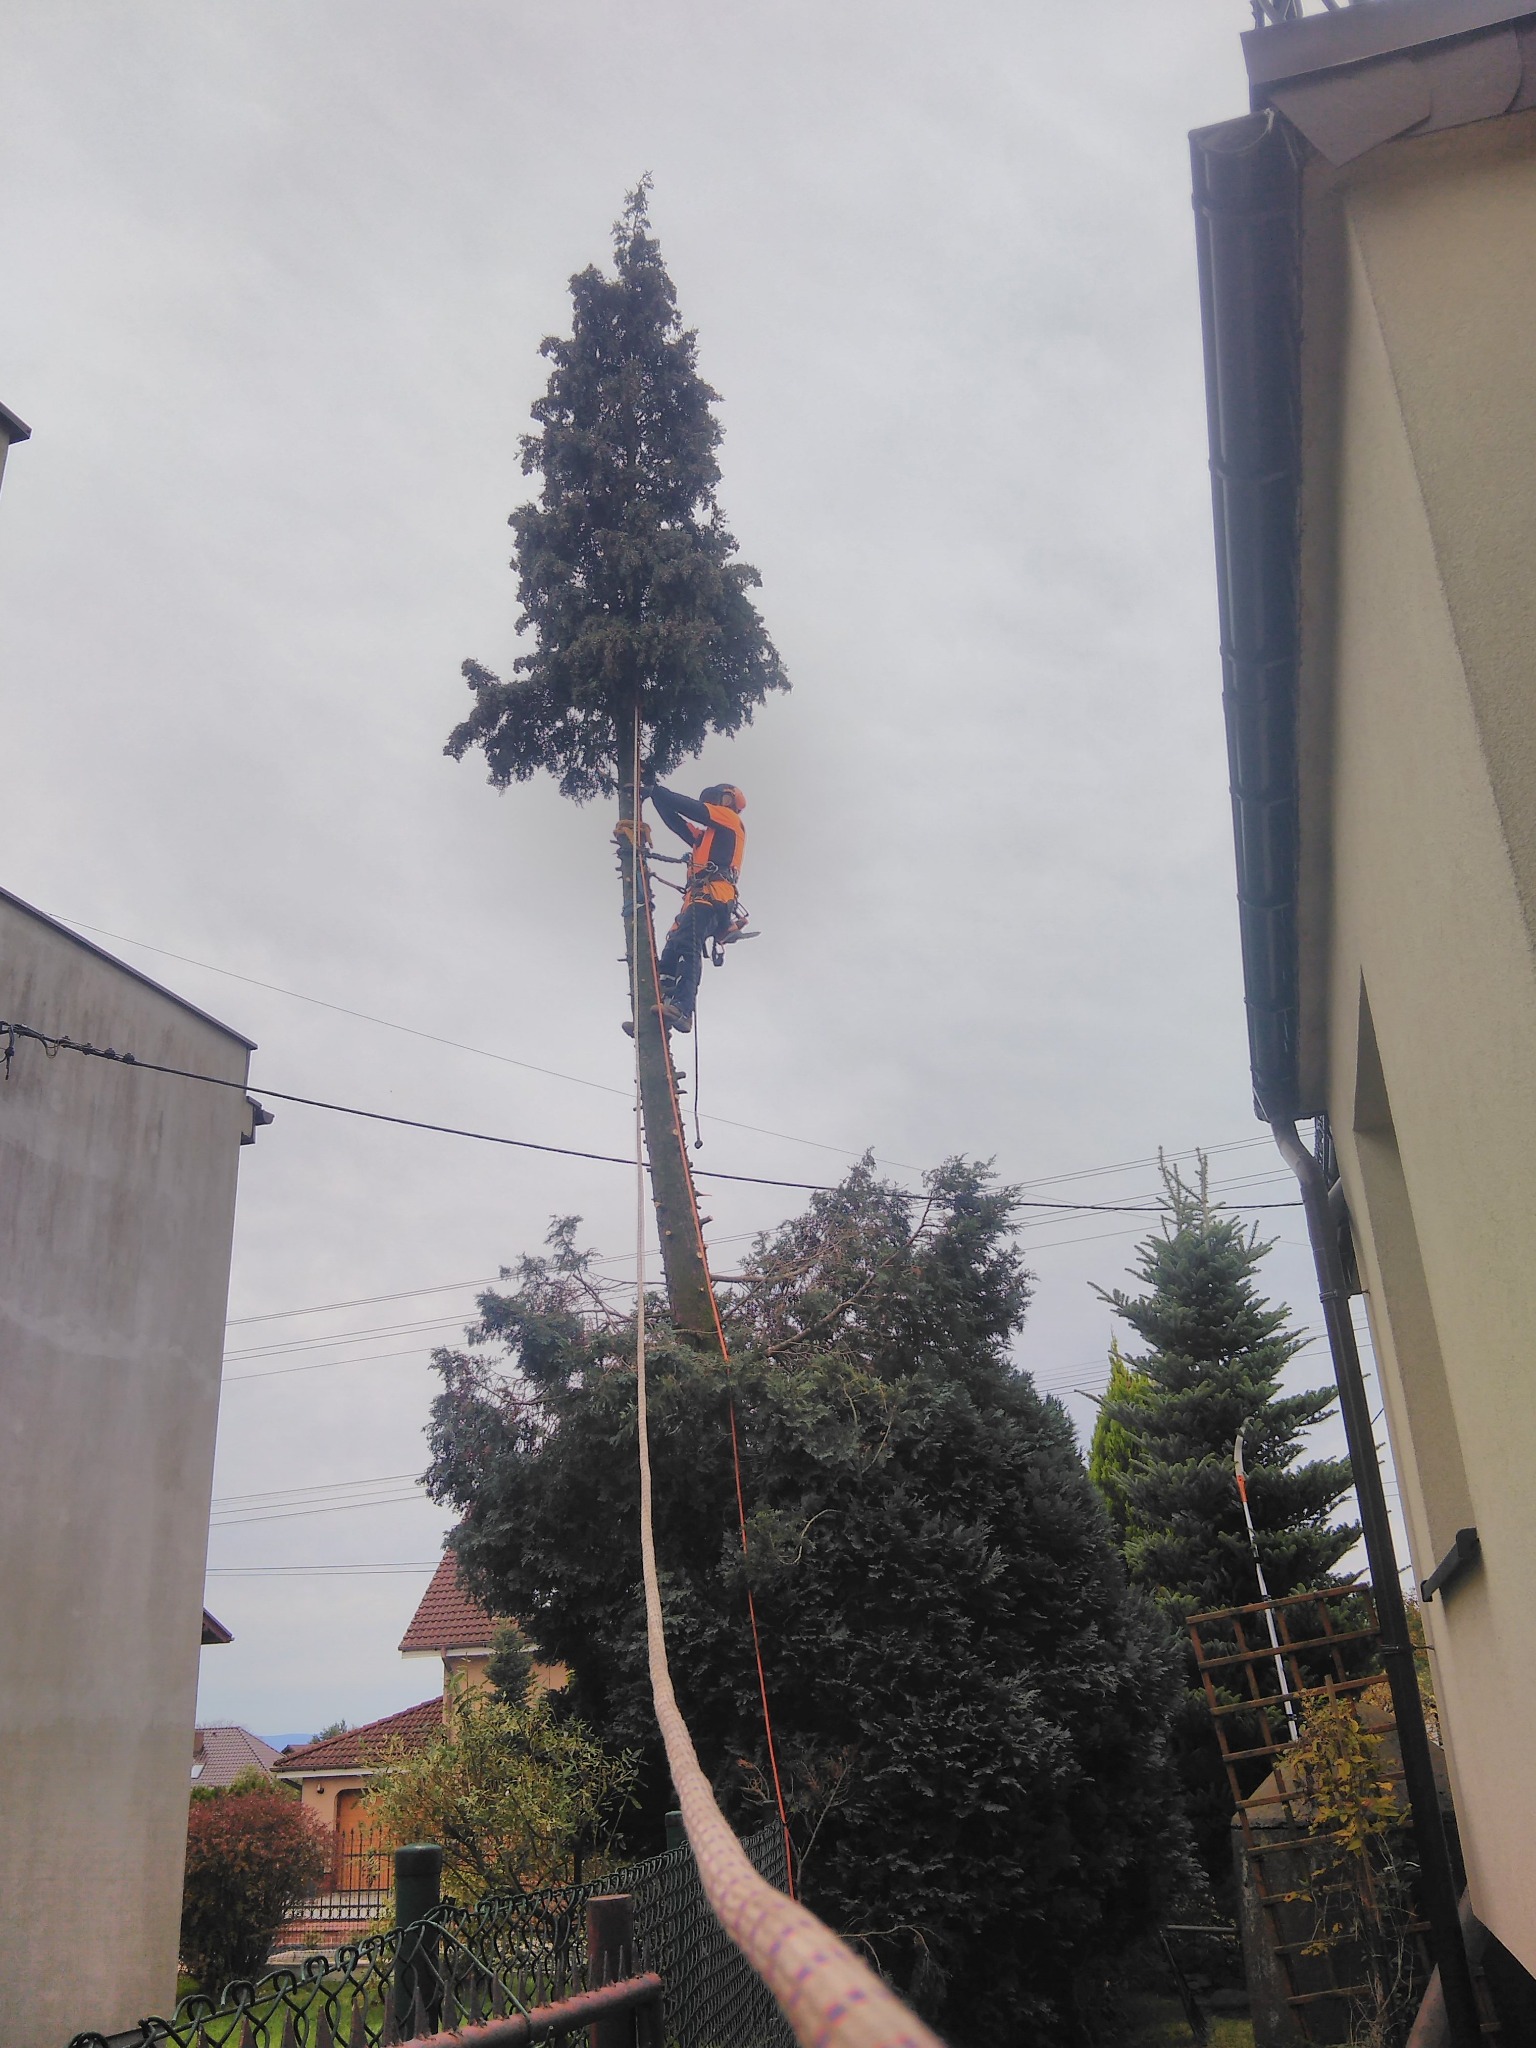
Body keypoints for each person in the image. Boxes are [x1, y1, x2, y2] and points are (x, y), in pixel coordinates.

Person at [640, 781, 746, 1033]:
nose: (710, 805)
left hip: (714, 898)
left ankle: (683, 1009)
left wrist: (656, 790)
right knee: (669, 955)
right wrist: (655, 797)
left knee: (688, 944)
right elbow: (676, 821)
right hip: (697, 901)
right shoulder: (704, 838)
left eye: (714, 800)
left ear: (728, 800)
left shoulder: (729, 819)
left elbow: (692, 809)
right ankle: (662, 1006)